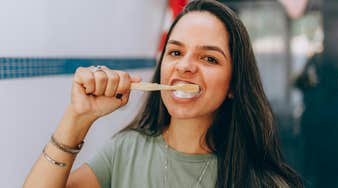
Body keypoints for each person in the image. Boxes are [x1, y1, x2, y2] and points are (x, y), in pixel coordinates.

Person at [24, 0, 303, 187]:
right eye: (176, 52)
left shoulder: (266, 182)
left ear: (233, 86)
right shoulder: (126, 150)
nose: (184, 66)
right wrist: (77, 119)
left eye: (209, 59)